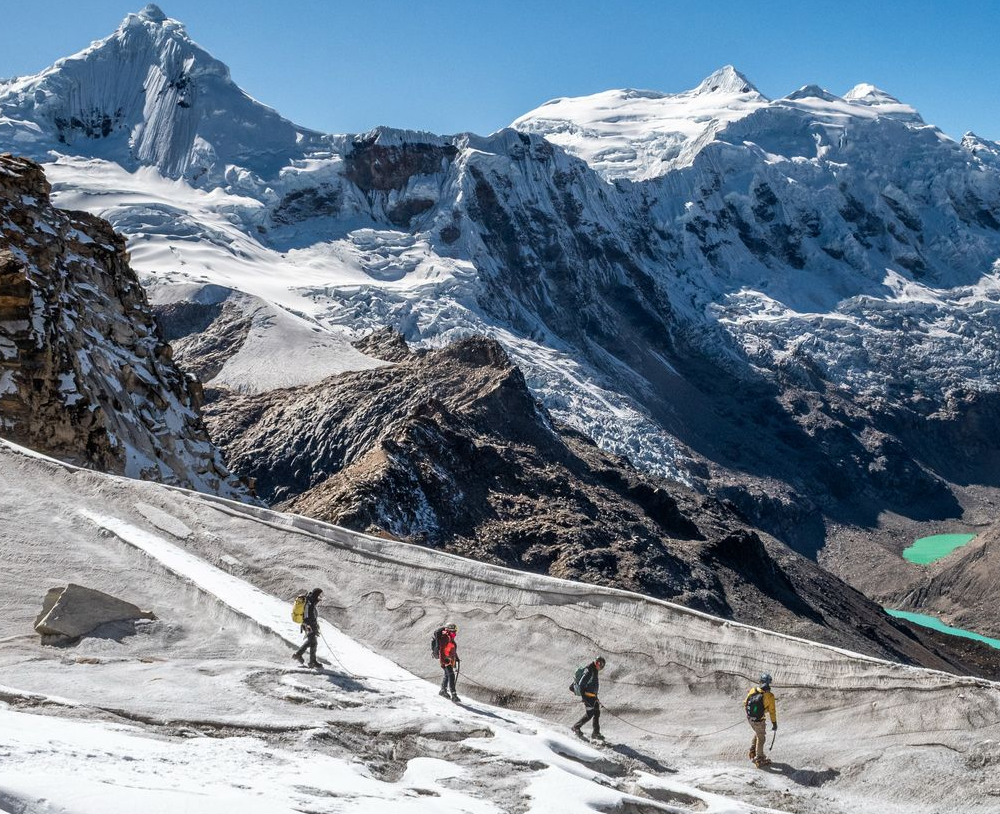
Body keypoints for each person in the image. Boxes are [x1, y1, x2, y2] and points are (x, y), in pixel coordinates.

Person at [745, 672, 777, 767]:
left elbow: (745, 703)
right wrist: (774, 723)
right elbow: (772, 711)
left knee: (758, 732)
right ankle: (759, 758)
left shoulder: (753, 690)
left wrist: (752, 713)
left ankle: (752, 749)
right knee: (761, 738)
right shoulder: (770, 696)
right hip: (759, 720)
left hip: (750, 718)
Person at [572, 656, 606, 741]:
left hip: (593, 696)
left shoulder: (594, 670)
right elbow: (581, 684)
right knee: (590, 714)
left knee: (597, 712)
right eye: (599, 664)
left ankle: (596, 733)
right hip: (588, 696)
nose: (600, 666)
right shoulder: (589, 670)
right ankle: (576, 727)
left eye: (601, 665)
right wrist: (584, 697)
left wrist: (596, 697)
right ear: (596, 662)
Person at [292, 588, 324, 668]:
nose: (321, 597)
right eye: (320, 595)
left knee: (312, 642)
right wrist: (312, 626)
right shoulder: (310, 602)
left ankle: (309, 660)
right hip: (308, 625)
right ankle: (304, 658)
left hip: (309, 624)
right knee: (312, 642)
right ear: (316, 594)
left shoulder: (311, 600)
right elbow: (307, 616)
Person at [438, 623, 460, 702]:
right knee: (451, 676)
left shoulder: (450, 638)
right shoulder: (445, 638)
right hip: (445, 661)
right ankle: (454, 695)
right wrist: (444, 661)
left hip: (449, 660)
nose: (455, 633)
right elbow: (441, 651)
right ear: (449, 630)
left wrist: (456, 658)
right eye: (453, 631)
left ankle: (443, 690)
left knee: (447, 675)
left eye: (455, 631)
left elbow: (451, 650)